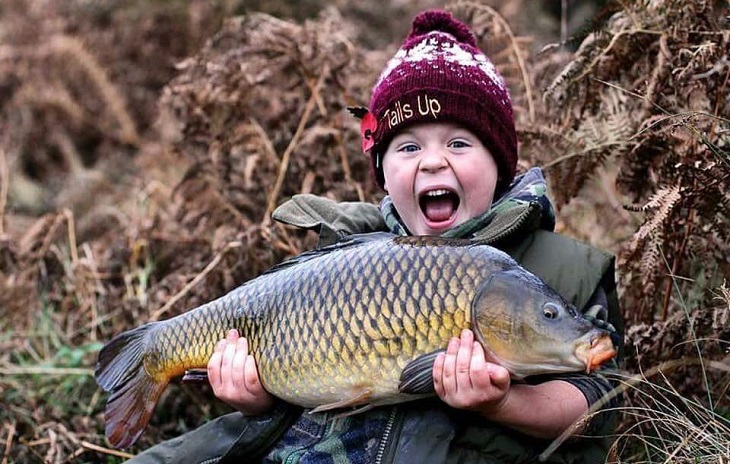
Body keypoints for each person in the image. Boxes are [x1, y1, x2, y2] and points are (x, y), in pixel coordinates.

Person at [126, 9, 623, 464]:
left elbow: (597, 404)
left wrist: (504, 401)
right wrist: (254, 394)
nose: (432, 161)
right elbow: (292, 384)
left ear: (499, 163)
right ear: (383, 173)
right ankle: (153, 352)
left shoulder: (555, 270)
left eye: (457, 142)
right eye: (407, 146)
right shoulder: (346, 261)